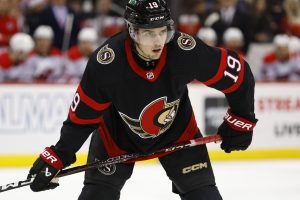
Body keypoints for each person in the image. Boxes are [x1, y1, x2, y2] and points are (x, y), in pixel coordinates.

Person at [27, 0, 258, 199]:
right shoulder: (107, 64)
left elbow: (239, 76)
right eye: (149, 33)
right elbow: (82, 118)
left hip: (177, 134)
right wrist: (58, 155)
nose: (158, 41)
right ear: (132, 31)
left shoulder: (184, 50)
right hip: (115, 140)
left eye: (162, 31)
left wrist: (241, 119)